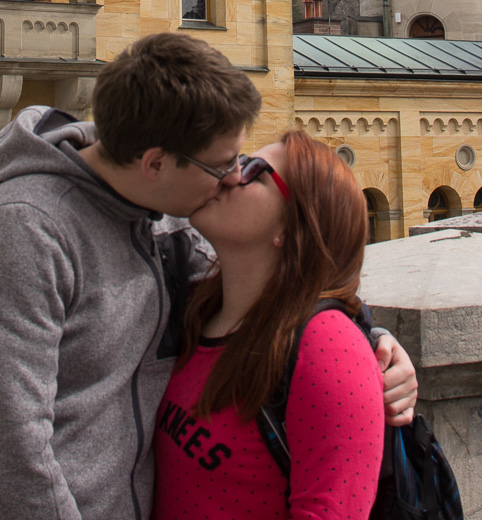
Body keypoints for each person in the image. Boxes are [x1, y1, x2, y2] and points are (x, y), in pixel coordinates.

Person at [0, 33, 418, 519]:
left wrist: (369, 340)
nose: (232, 178)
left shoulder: (168, 220)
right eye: (223, 165)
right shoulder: (25, 231)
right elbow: (11, 453)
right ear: (155, 164)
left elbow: (273, 287)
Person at [154, 130, 384, 519]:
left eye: (253, 170)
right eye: (238, 160)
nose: (229, 174)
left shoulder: (330, 348)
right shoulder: (196, 311)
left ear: (291, 227)